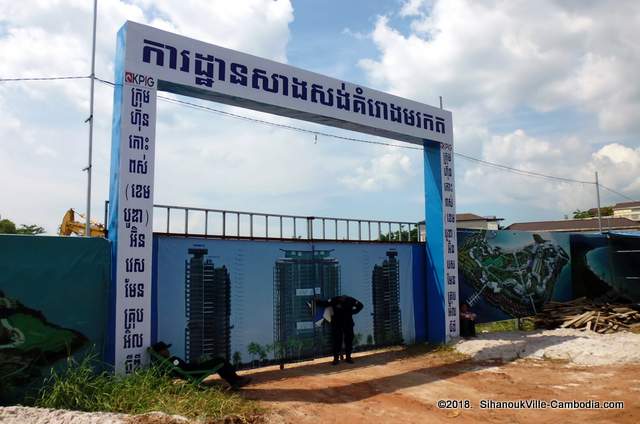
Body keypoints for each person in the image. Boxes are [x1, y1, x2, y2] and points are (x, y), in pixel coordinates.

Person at [150, 342, 251, 389]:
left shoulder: (166, 362)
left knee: (219, 363)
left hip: (191, 372)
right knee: (220, 361)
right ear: (161, 352)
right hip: (194, 373)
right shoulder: (173, 360)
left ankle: (235, 381)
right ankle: (235, 380)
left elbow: (183, 369)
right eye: (165, 349)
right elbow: (186, 369)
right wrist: (196, 362)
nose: (168, 351)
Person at [315, 295, 363, 365]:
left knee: (349, 340)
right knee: (337, 341)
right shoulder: (334, 300)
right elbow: (325, 304)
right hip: (337, 324)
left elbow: (360, 306)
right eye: (341, 300)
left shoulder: (351, 300)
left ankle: (348, 357)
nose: (342, 300)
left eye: (343, 299)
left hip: (348, 324)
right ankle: (336, 359)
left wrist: (352, 312)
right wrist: (316, 301)